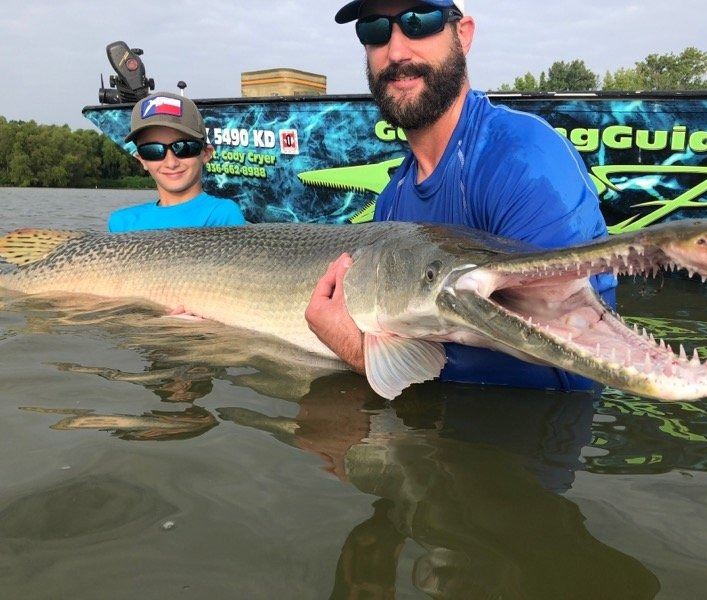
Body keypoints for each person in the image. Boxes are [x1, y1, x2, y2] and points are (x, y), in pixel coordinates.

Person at [305, 0, 616, 390]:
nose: (396, 52)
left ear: (463, 34)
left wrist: (356, 350)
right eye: (374, 29)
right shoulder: (390, 201)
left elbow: (576, 371)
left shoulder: (524, 157)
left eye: (419, 21)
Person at [108, 91, 245, 233]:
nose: (171, 163)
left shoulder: (224, 214)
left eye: (184, 147)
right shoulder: (121, 222)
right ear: (142, 160)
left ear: (206, 153)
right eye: (153, 150)